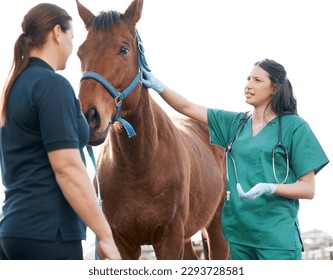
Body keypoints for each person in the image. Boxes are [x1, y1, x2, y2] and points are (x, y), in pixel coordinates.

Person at [142, 59, 329, 260]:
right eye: (248, 79)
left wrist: (270, 188)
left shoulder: (295, 127)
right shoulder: (235, 124)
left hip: (277, 240)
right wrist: (158, 86)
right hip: (239, 238)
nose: (248, 85)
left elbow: (308, 189)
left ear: (274, 88)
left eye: (257, 80)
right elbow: (187, 107)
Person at [0, 3, 121, 260]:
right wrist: (105, 234)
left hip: (13, 231)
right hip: (48, 234)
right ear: (57, 32)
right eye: (72, 37)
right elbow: (67, 169)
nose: (72, 47)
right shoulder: (52, 86)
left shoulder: (13, 88)